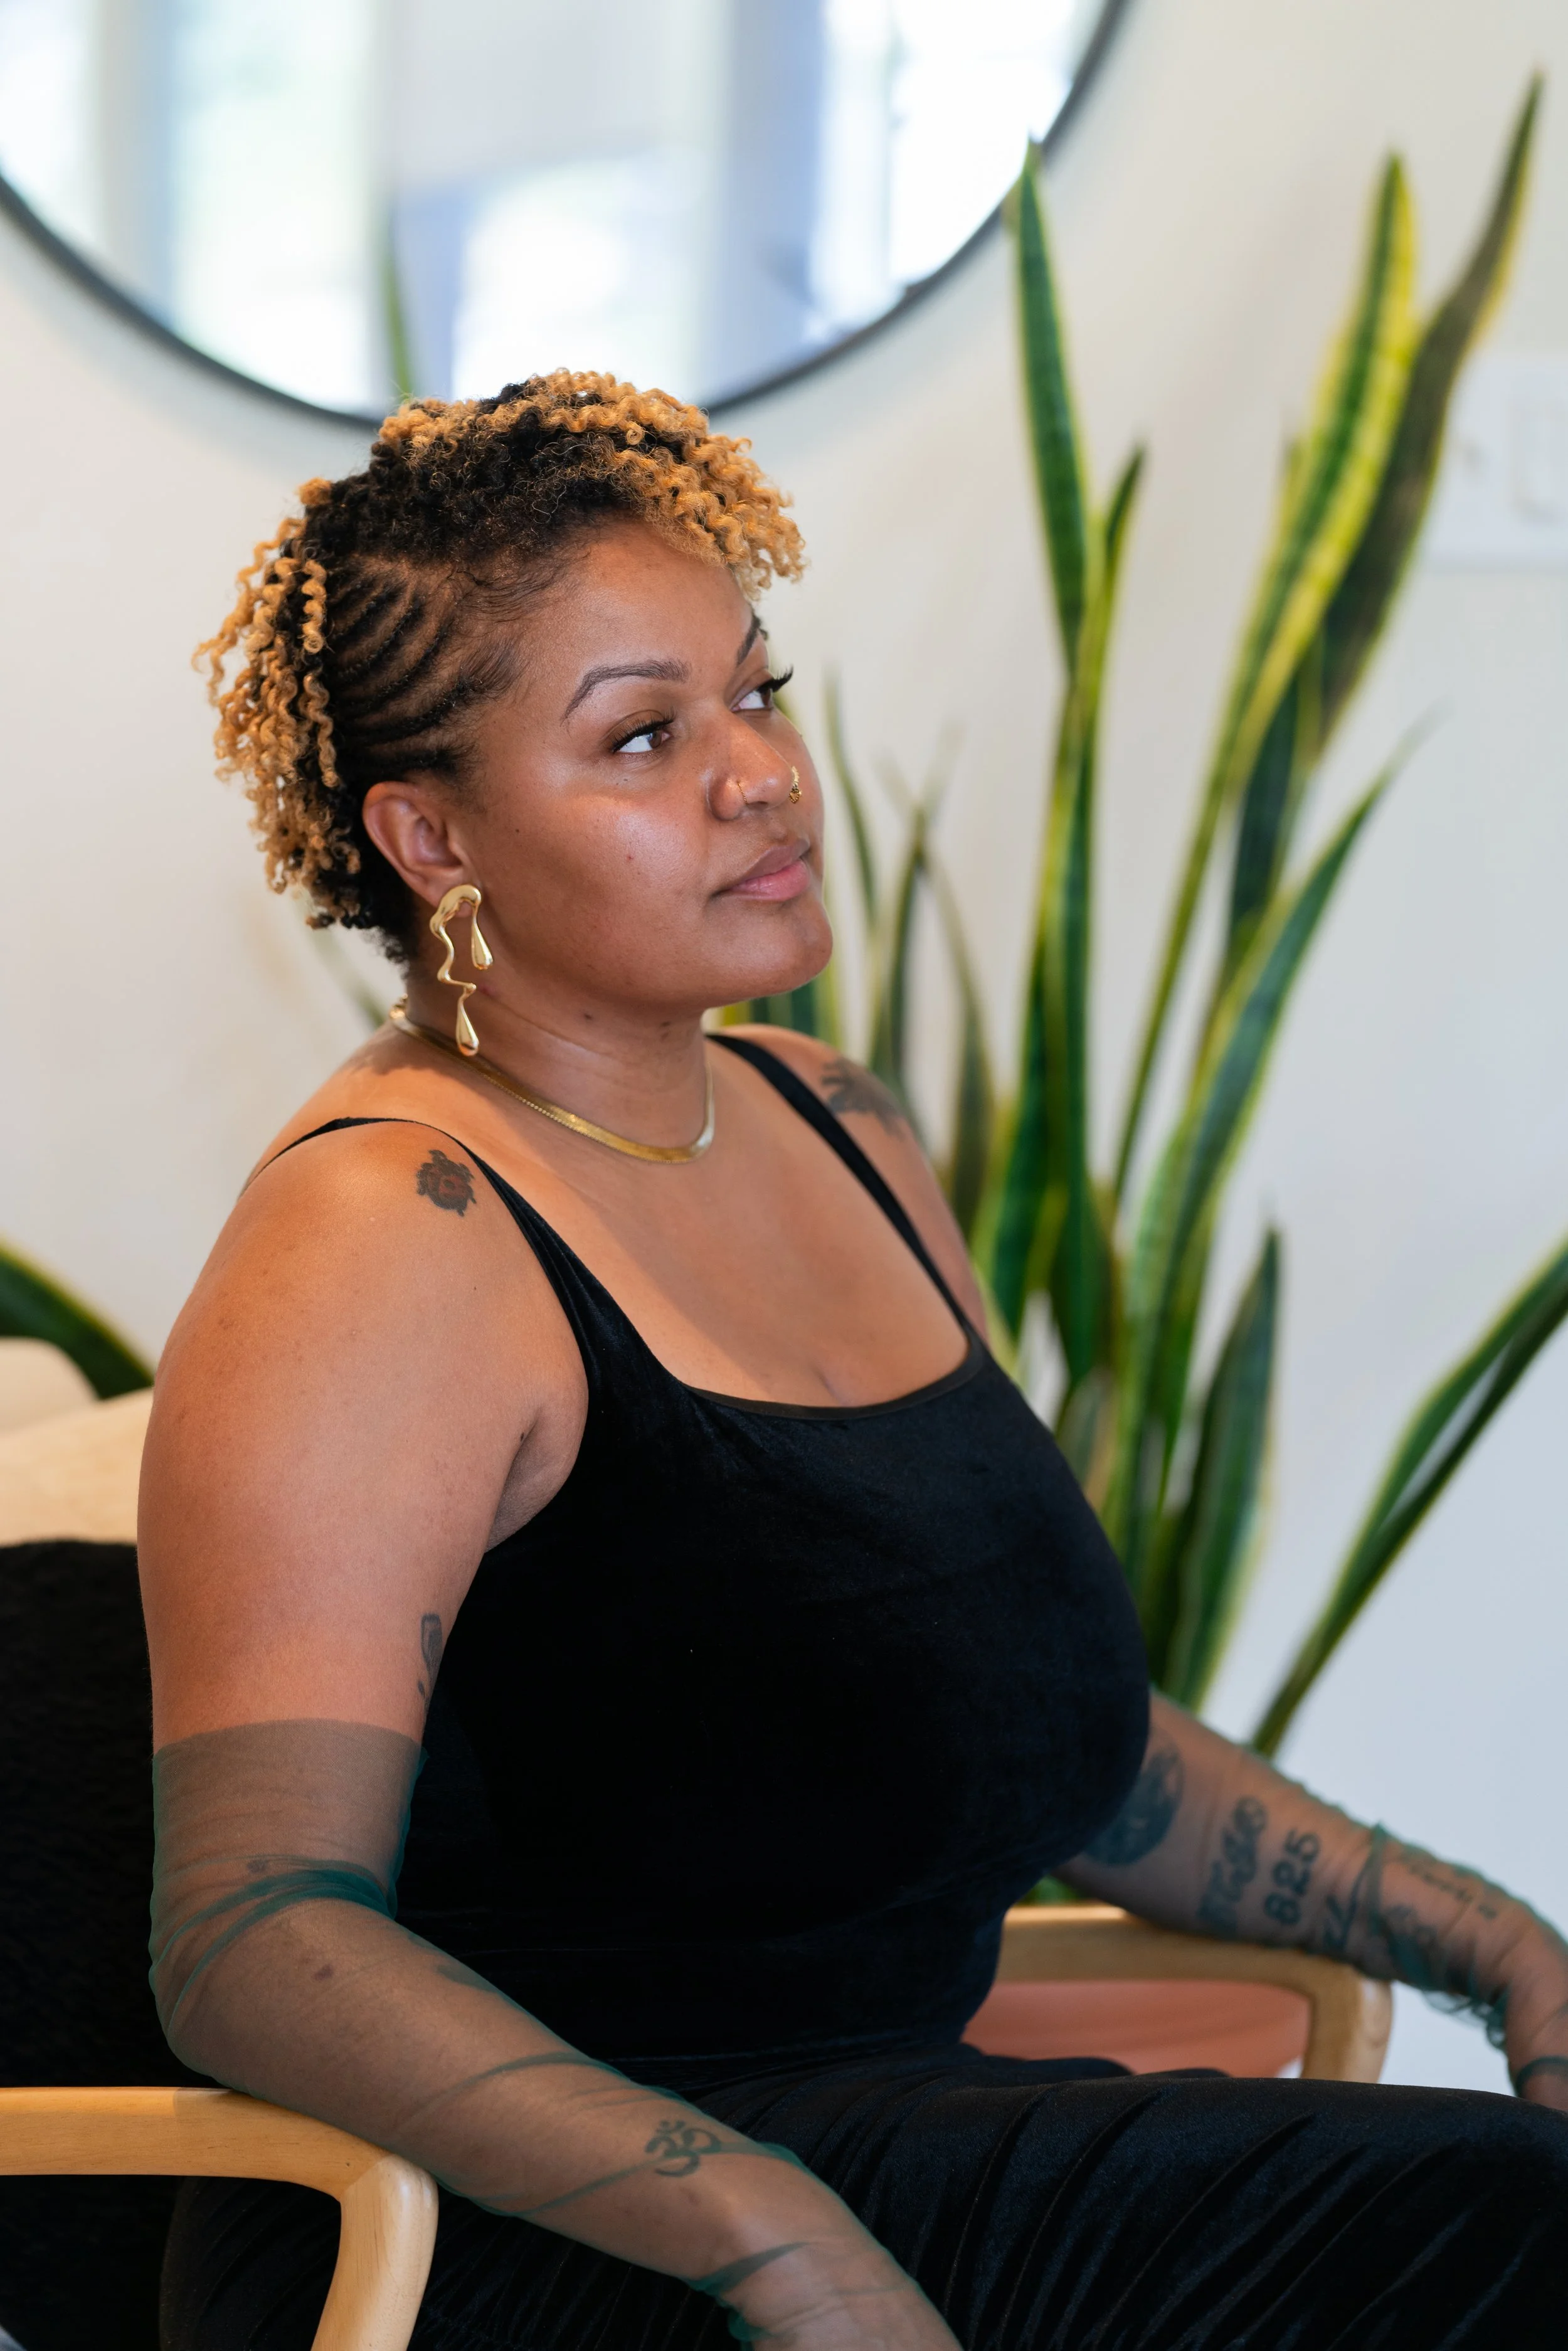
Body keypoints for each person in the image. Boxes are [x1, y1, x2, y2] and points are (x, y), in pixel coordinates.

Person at [141, 375, 1568, 2350]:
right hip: (521, 2236)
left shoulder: (833, 1125)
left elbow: (1061, 1738)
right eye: (643, 735)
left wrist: (1492, 1938)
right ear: (428, 836)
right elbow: (248, 1931)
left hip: (899, 2151)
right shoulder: (387, 1234)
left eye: (756, 690)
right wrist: (762, 2230)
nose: (760, 776)